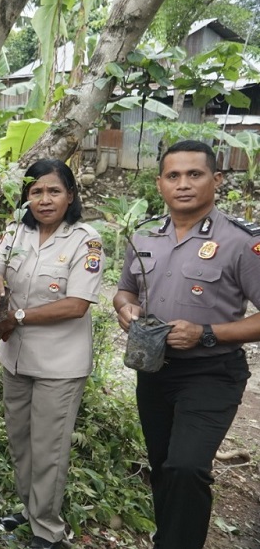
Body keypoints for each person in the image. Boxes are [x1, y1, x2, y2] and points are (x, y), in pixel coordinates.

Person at [113, 140, 260, 549]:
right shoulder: (145, 237)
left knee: (186, 467)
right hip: (155, 371)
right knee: (163, 466)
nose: (183, 184)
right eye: (173, 176)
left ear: (216, 180)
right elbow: (124, 292)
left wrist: (207, 332)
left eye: (194, 174)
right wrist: (127, 311)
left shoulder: (242, 242)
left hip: (212, 373)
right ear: (159, 183)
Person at [0, 159, 103, 549]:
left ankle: (49, 531)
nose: (45, 199)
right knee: (21, 439)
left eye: (54, 191)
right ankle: (30, 508)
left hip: (59, 363)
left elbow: (77, 304)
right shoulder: (16, 233)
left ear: (70, 195)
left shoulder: (85, 240)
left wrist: (16, 315)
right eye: (36, 191)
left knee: (49, 448)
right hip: (16, 356)